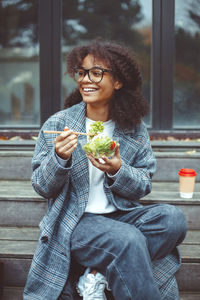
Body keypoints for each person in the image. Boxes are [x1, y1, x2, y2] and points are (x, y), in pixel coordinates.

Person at [23, 39, 187, 300]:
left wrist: (118, 170)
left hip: (121, 215)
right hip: (75, 222)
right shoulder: (59, 123)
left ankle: (97, 275)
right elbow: (41, 186)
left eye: (96, 72)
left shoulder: (133, 128)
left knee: (173, 219)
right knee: (128, 240)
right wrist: (59, 158)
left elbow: (144, 184)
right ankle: (111, 268)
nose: (86, 79)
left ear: (118, 82)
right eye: (81, 72)